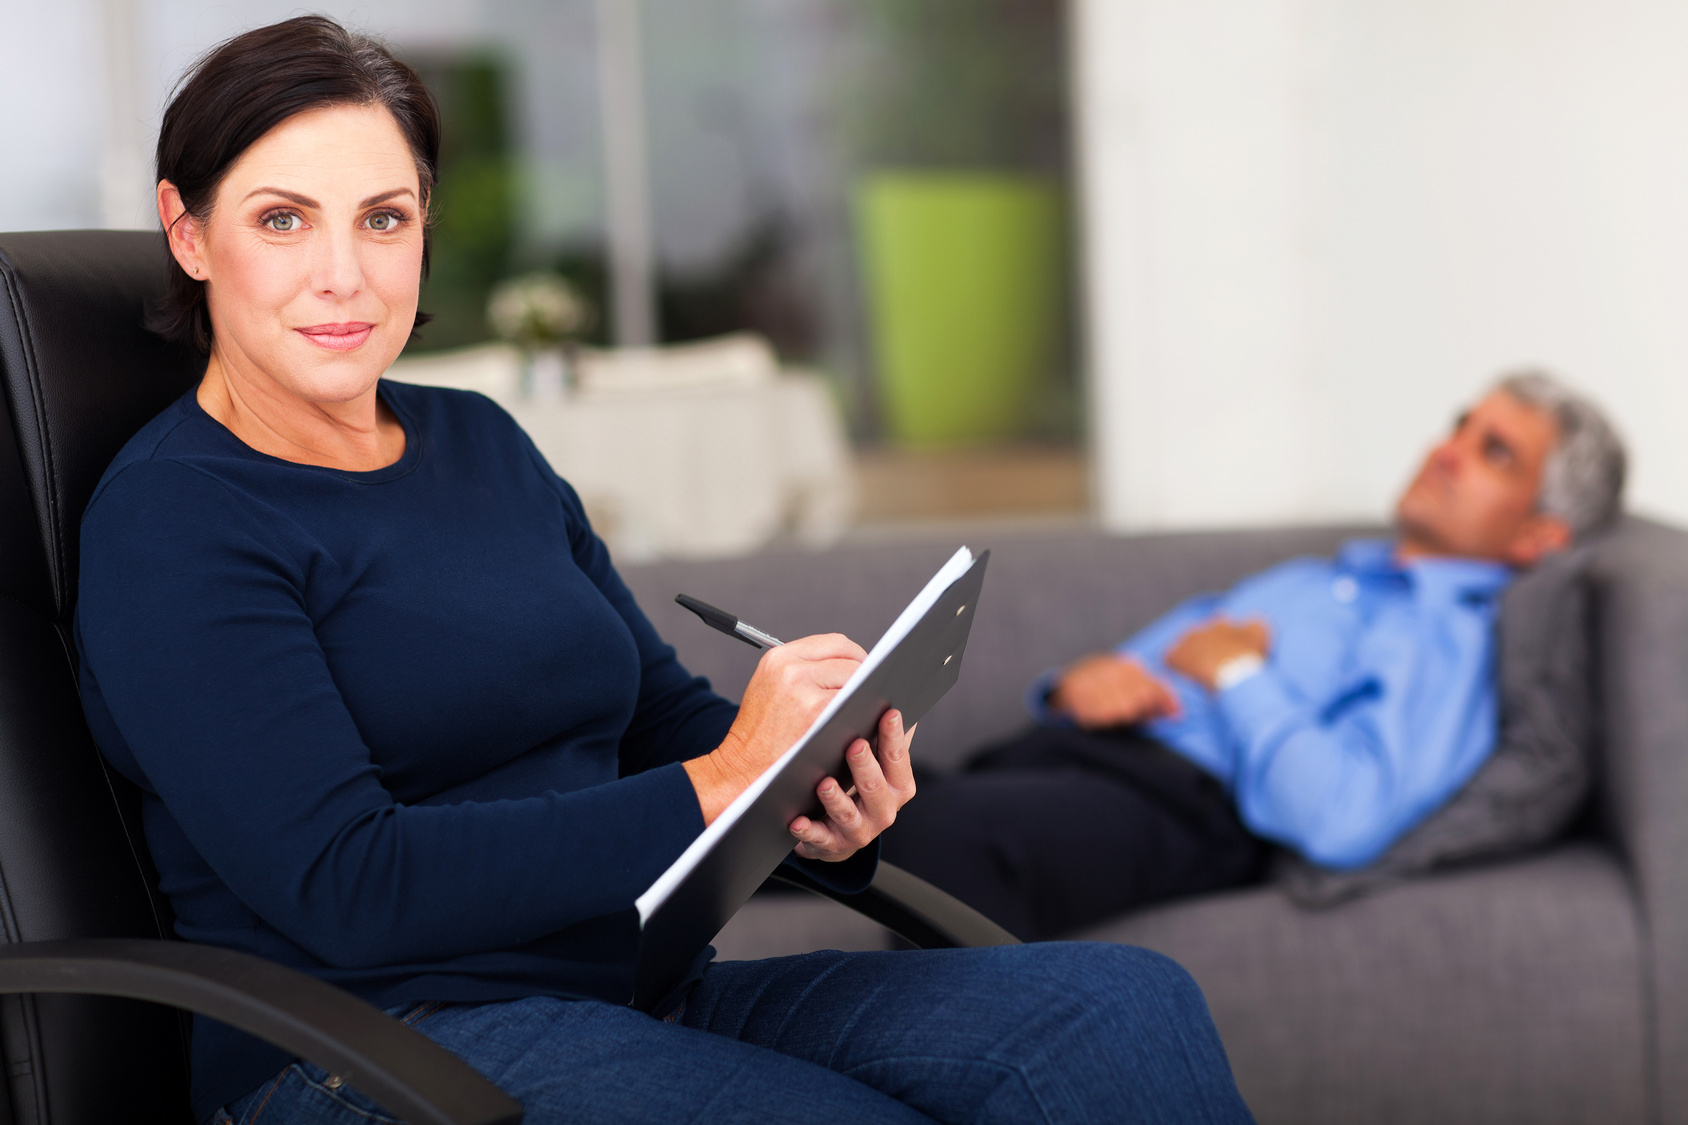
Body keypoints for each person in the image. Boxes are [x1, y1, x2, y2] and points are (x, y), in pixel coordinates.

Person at [73, 17, 1255, 1125]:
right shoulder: (176, 522)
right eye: (284, 220)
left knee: (1121, 1008)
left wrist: (808, 794)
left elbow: (654, 716)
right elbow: (347, 882)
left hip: (632, 992)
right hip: (373, 1048)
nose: (342, 274)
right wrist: (717, 783)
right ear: (189, 233)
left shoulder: (477, 439)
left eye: (382, 219)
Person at [882, 373, 1626, 942]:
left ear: (1538, 537)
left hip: (1179, 805)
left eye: (1493, 452)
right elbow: (1159, 654)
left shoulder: (1451, 642)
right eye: (1460, 427)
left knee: (932, 839)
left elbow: (1342, 818)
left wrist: (1238, 675)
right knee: (825, 779)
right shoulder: (1313, 578)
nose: (1446, 452)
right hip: (1064, 754)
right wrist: (1080, 683)